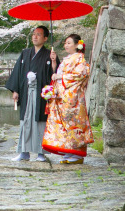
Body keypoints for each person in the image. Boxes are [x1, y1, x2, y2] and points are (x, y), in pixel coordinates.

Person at [5, 25, 57, 162]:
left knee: (40, 123)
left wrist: (53, 62)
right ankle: (24, 152)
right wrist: (15, 90)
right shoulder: (25, 53)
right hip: (26, 92)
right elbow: (17, 72)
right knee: (25, 121)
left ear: (45, 38)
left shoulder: (48, 55)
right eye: (34, 34)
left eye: (39, 34)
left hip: (40, 94)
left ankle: (41, 153)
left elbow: (54, 74)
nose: (35, 36)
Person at [41, 34, 94, 164]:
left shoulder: (80, 59)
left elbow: (81, 74)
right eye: (65, 43)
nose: (66, 45)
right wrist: (54, 64)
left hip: (72, 98)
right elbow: (60, 74)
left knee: (73, 123)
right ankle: (66, 150)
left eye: (69, 43)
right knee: (62, 124)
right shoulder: (67, 58)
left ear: (77, 45)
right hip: (61, 97)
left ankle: (77, 154)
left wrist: (61, 77)